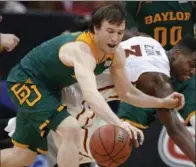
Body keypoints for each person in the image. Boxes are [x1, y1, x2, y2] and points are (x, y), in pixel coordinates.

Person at [1, 4, 185, 167]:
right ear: (96, 28)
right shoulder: (83, 51)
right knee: (71, 130)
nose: (115, 38)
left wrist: (162, 102)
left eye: (120, 32)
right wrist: (119, 123)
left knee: (21, 158)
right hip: (27, 80)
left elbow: (127, 93)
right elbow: (91, 95)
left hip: (55, 90)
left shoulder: (117, 52)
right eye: (110, 31)